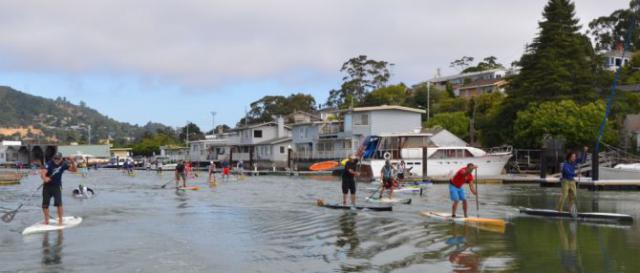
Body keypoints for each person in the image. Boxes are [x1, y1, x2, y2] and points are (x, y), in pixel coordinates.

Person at [40, 152, 77, 225]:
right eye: (55, 158)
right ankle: (46, 220)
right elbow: (43, 173)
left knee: (58, 204)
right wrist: (45, 178)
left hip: (57, 186)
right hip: (47, 187)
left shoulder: (63, 164)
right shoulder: (49, 164)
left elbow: (74, 170)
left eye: (58, 159)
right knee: (45, 204)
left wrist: (72, 162)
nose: (56, 160)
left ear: (61, 159)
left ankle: (60, 220)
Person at [557, 146, 588, 214]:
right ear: (569, 157)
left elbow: (583, 160)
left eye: (575, 157)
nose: (574, 158)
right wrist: (576, 174)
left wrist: (585, 152)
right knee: (564, 195)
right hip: (565, 181)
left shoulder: (574, 162)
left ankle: (570, 210)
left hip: (572, 181)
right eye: (573, 157)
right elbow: (568, 172)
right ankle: (559, 210)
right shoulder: (565, 164)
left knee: (573, 195)